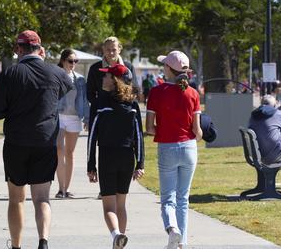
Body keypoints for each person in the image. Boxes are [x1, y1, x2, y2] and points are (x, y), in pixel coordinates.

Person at [0, 30, 73, 249]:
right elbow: (65, 87)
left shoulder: (11, 74)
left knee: (16, 199)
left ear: (19, 49)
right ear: (40, 49)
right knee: (42, 197)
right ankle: (43, 240)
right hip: (44, 142)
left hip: (17, 142)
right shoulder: (56, 73)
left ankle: (16, 245)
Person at [146, 51, 202, 249]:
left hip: (167, 146)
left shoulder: (156, 92)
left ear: (168, 69)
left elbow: (149, 128)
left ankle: (172, 229)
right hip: (189, 147)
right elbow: (197, 131)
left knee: (168, 198)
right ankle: (182, 243)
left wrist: (165, 128)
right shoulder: (193, 93)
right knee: (183, 199)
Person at [87, 64, 144, 249]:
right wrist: (140, 164)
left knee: (108, 207)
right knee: (121, 205)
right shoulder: (133, 104)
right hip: (127, 158)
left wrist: (91, 165)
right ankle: (119, 243)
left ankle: (116, 234)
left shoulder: (98, 104)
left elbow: (92, 136)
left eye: (106, 76)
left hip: (107, 157)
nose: (102, 79)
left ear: (114, 80)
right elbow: (139, 136)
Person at [54, 49, 89, 199]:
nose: (73, 64)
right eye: (70, 61)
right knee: (59, 150)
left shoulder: (80, 79)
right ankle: (60, 189)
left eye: (75, 61)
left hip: (75, 117)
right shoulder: (56, 76)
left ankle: (66, 189)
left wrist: (87, 118)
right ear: (62, 61)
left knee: (70, 154)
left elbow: (84, 100)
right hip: (59, 116)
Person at [87, 37, 136, 130]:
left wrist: (126, 107)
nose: (111, 53)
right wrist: (100, 105)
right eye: (108, 50)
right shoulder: (95, 68)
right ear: (103, 49)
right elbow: (90, 93)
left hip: (123, 112)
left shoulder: (128, 67)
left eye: (114, 49)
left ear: (119, 49)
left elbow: (134, 89)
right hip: (102, 113)